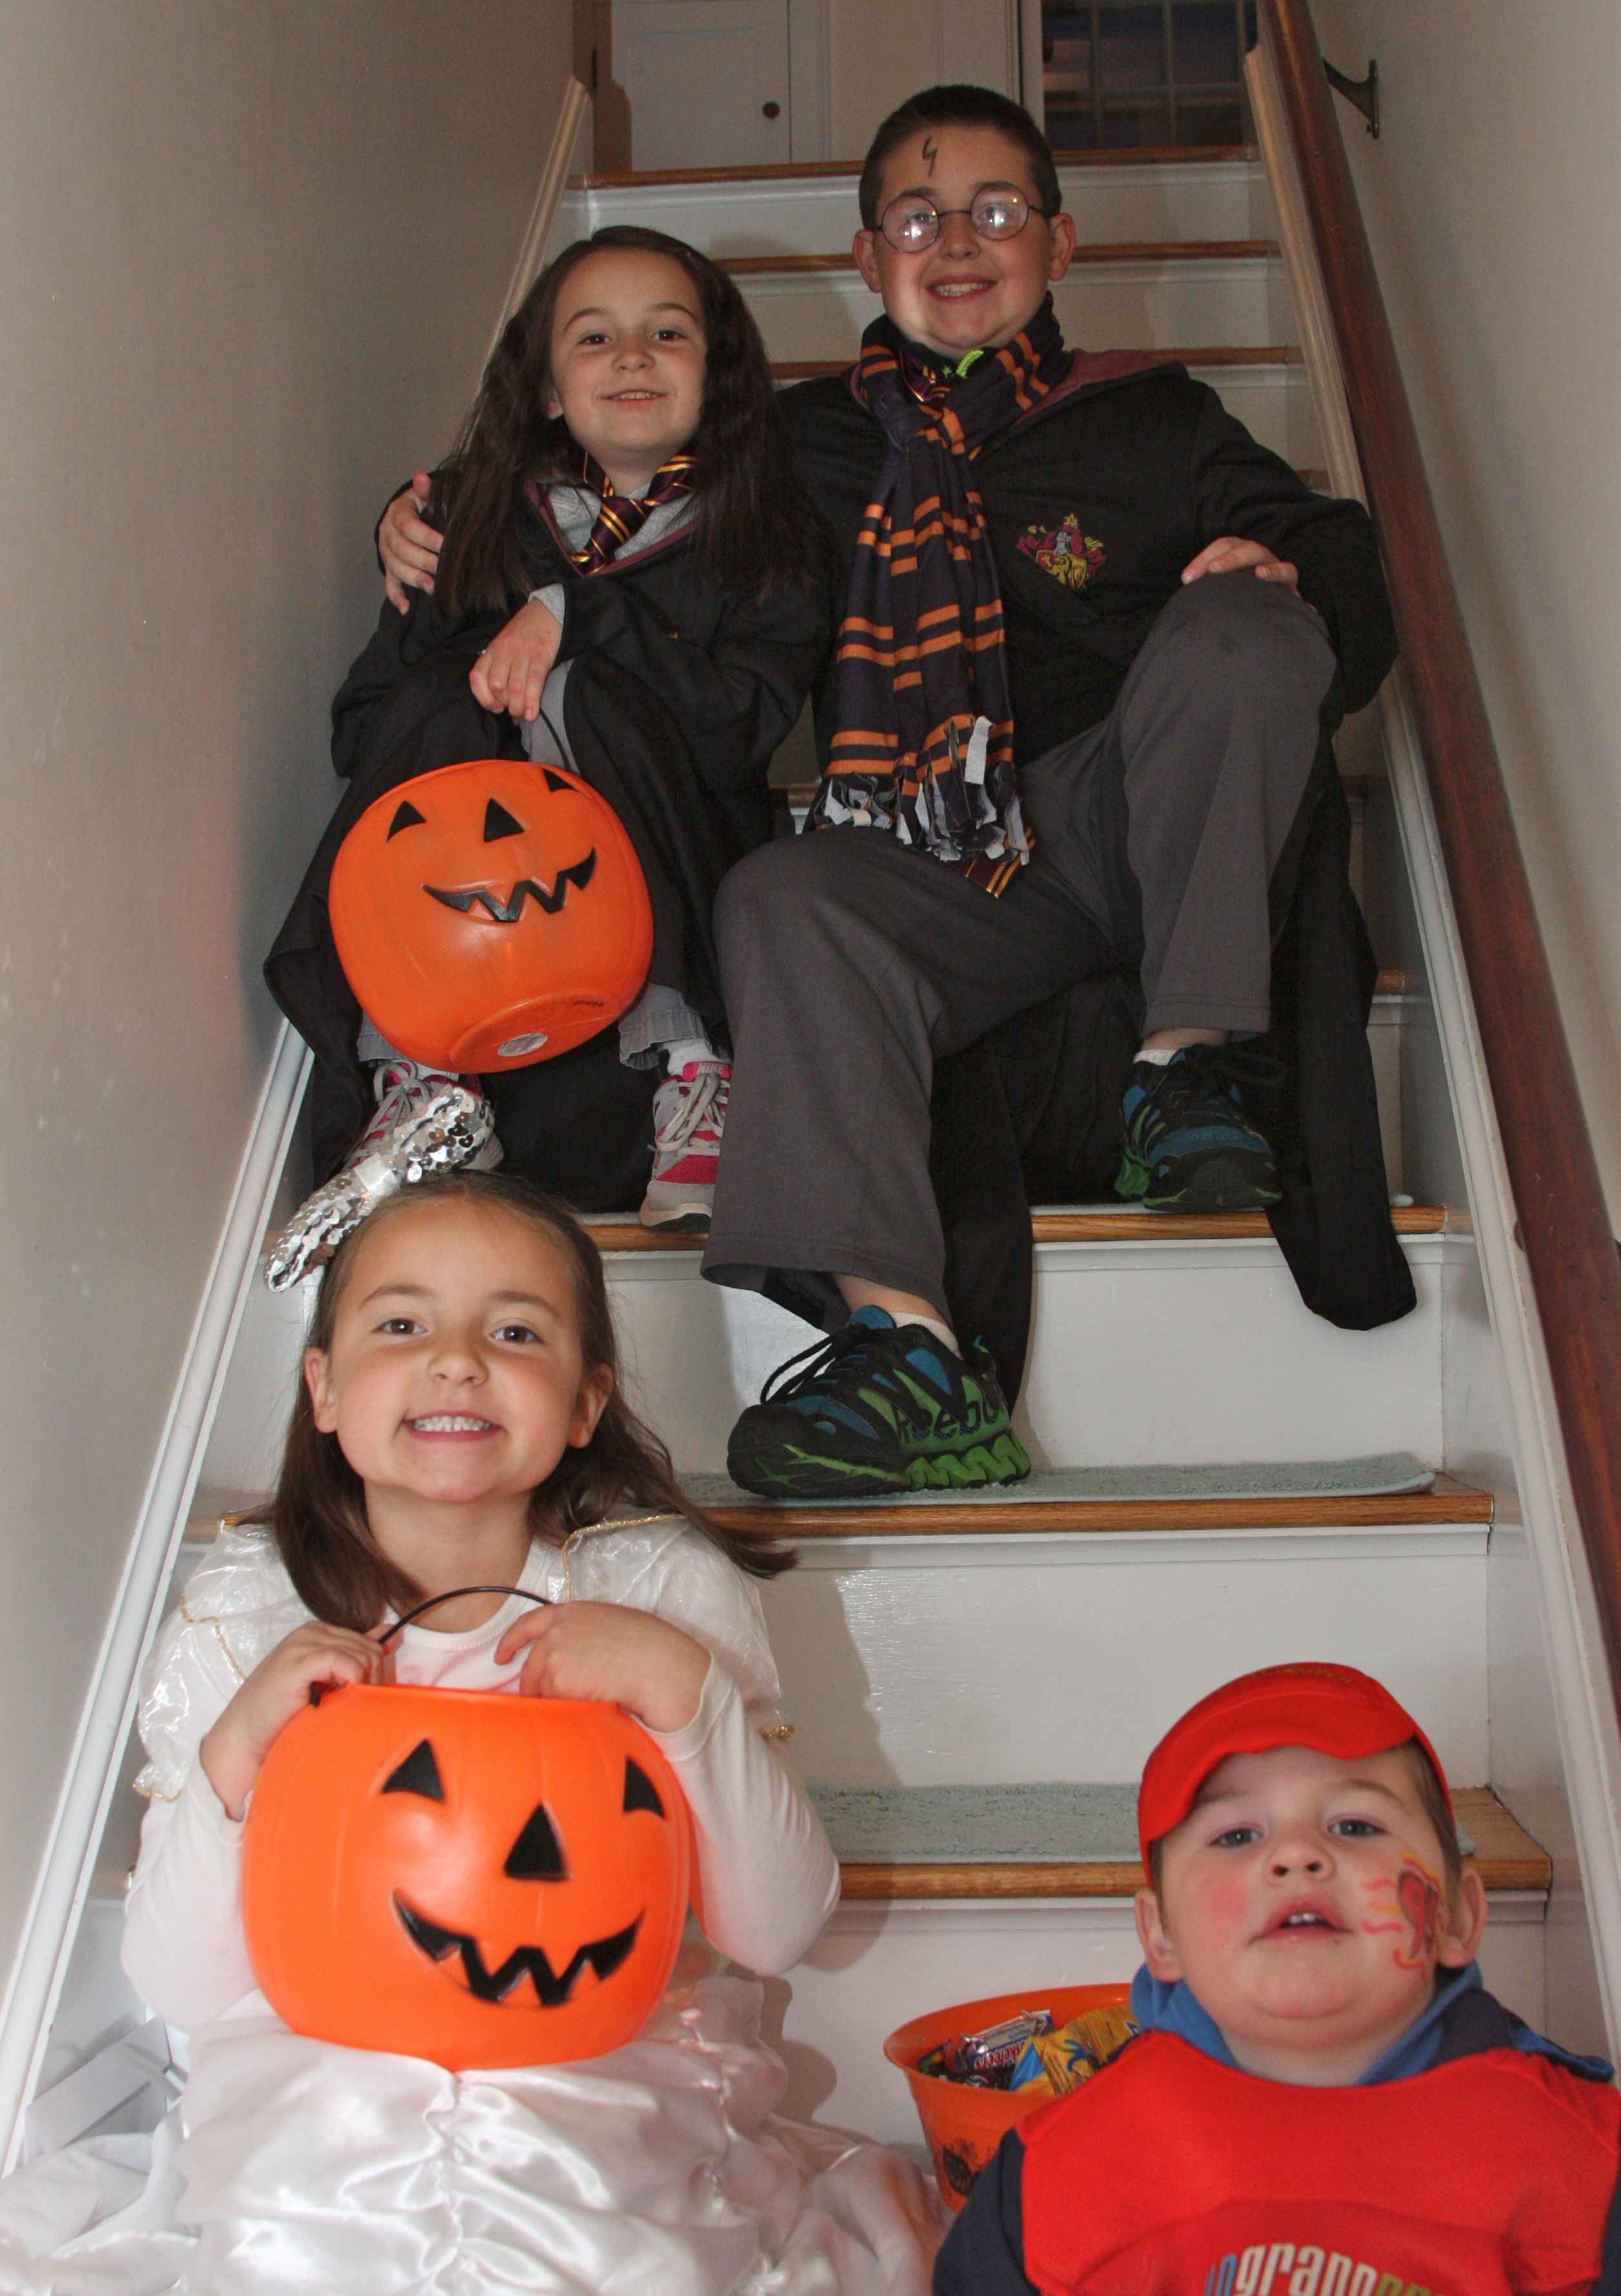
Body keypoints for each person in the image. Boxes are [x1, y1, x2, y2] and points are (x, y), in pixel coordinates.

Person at [377, 88, 1408, 1502]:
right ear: (868, 258)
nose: (958, 243)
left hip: (1138, 815)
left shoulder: (1156, 419)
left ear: (1058, 242)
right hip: (938, 858)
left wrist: (1285, 575)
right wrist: (432, 520)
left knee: (1243, 623)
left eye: (995, 211)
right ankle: (907, 1351)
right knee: (779, 892)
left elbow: (1337, 548)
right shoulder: (800, 447)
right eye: (918, 219)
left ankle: (1184, 1067)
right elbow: (611, 492)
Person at [0, 1174, 939, 2295]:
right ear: (323, 1388)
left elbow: (777, 1929)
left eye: (514, 1331)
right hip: (324, 2067)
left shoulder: (656, 1586)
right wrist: (236, 1752)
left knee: (592, 2245)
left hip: (601, 2057)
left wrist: (683, 1693)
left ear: (585, 1402)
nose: (456, 1361)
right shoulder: (249, 1606)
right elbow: (181, 1983)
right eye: (402, 1325)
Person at [266, 226, 831, 1280]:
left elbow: (741, 733)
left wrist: (576, 617)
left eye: (668, 333)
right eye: (594, 337)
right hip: (483, 943)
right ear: (543, 390)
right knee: (442, 693)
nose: (632, 356)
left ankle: (694, 1068)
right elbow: (363, 729)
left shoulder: (767, 535)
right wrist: (489, 665)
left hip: (673, 881)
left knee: (587, 689)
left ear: (717, 375)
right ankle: (422, 1079)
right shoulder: (465, 519)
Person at [937, 1661, 1621, 2291]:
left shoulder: (1584, 2163)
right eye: (1236, 1835)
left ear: (1458, 1918)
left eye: (1355, 1825)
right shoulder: (1056, 2174)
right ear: (1161, 1935)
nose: (1297, 1853)